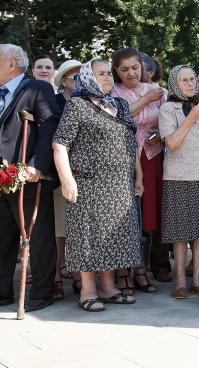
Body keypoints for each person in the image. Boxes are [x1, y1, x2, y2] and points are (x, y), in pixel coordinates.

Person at [52, 59, 142, 312]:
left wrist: (139, 175)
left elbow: (131, 143)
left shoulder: (120, 105)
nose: (107, 78)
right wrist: (67, 179)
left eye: (108, 74)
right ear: (87, 77)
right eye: (100, 74)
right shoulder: (77, 106)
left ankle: (108, 286)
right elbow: (60, 144)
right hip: (88, 183)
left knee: (113, 236)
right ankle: (88, 290)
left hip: (119, 184)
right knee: (89, 237)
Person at [0, 44, 60, 313]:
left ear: (12, 64)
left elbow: (50, 128)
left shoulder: (37, 89)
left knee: (37, 238)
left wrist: (37, 165)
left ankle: (42, 291)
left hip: (25, 176)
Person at [159, 65, 199, 299]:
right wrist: (191, 118)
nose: (190, 84)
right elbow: (172, 143)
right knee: (180, 232)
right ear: (175, 83)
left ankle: (197, 280)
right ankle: (180, 283)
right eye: (184, 80)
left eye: (192, 79)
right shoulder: (168, 109)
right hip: (178, 177)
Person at [111, 48, 169, 289]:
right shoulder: (114, 92)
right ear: (116, 72)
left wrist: (161, 135)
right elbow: (120, 117)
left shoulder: (157, 91)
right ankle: (128, 269)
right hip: (125, 157)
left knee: (153, 213)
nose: (131, 73)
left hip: (153, 156)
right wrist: (145, 100)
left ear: (143, 68)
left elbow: (168, 121)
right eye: (124, 69)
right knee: (129, 214)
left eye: (135, 67)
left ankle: (151, 266)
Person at [51, 59, 83, 300]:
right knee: (60, 229)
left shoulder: (88, 102)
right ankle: (56, 276)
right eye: (74, 76)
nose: (79, 80)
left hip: (85, 172)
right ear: (64, 80)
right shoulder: (53, 102)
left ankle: (80, 275)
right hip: (60, 171)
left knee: (79, 228)